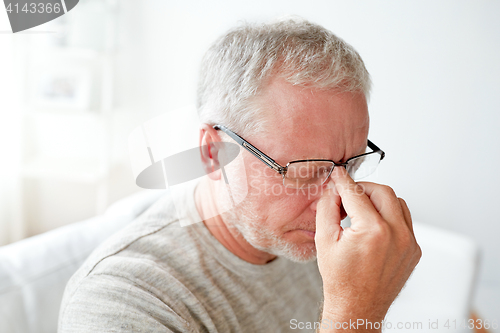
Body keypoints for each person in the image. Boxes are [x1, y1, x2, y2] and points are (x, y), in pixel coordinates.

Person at [59, 17, 421, 332]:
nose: (340, 205)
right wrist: (357, 314)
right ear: (213, 153)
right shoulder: (124, 302)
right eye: (306, 171)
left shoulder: (314, 239)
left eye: (351, 166)